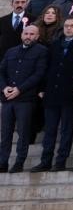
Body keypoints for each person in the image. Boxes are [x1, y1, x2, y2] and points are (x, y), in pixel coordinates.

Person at [33, 16, 73, 172]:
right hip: (52, 91)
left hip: (71, 91)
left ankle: (60, 161)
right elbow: (47, 67)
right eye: (66, 25)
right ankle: (45, 161)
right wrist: (42, 88)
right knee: (50, 130)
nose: (69, 28)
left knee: (66, 129)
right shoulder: (55, 43)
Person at [0, 25, 47, 173]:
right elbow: (1, 72)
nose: (28, 36)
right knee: (5, 133)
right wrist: (4, 87)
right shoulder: (11, 51)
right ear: (21, 35)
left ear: (37, 36)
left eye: (32, 34)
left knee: (23, 132)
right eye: (26, 33)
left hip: (26, 99)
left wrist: (19, 89)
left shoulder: (42, 51)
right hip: (7, 99)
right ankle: (2, 162)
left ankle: (19, 162)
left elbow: (39, 74)